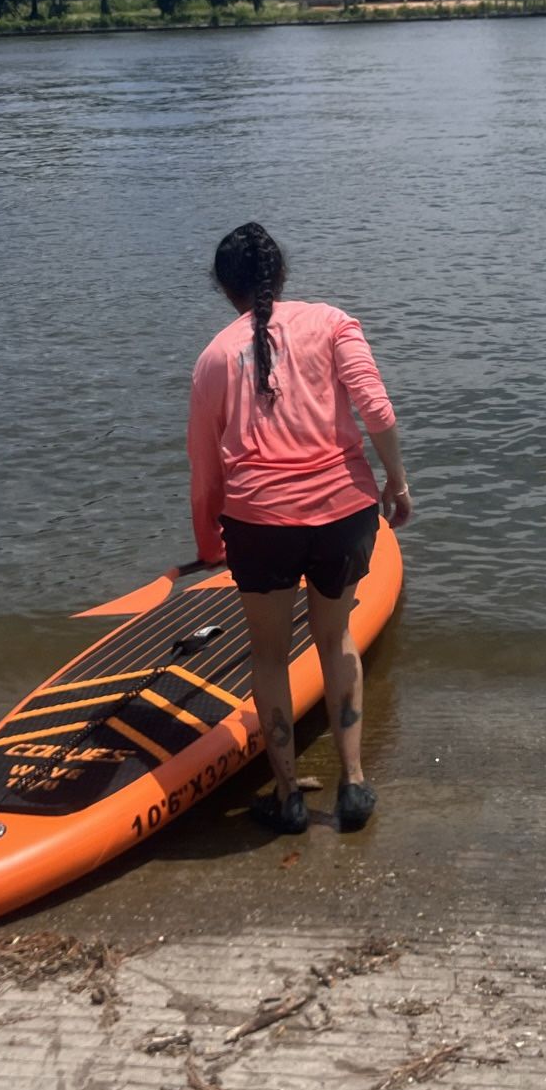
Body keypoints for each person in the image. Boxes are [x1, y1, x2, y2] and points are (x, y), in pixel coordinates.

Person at [186, 222, 411, 837]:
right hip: (344, 512)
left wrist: (210, 542)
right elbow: (378, 410)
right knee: (336, 641)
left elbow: (205, 473)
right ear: (280, 274)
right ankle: (354, 784)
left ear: (224, 287)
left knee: (268, 655)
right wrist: (397, 482)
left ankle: (287, 796)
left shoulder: (212, 359)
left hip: (259, 523)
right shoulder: (334, 323)